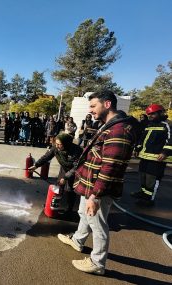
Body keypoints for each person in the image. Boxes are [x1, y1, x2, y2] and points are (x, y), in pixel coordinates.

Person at [57, 90, 139, 275]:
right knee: (83, 213)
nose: (91, 110)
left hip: (99, 188)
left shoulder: (119, 130)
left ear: (107, 104)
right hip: (91, 184)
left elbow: (110, 167)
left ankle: (97, 262)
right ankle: (78, 240)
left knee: (97, 222)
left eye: (93, 106)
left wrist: (95, 195)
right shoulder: (109, 125)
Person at [29, 133, 83, 212]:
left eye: (59, 144)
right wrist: (36, 165)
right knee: (59, 186)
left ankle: (69, 209)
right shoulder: (56, 148)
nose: (57, 146)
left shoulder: (77, 151)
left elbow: (76, 167)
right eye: (56, 144)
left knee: (70, 190)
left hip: (75, 171)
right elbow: (46, 157)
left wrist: (66, 177)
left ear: (66, 144)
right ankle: (55, 204)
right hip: (64, 169)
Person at [131, 104, 172, 205]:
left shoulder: (167, 124)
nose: (150, 116)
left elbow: (171, 140)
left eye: (153, 114)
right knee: (143, 175)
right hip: (145, 156)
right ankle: (144, 193)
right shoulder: (149, 124)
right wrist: (137, 148)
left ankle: (149, 199)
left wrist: (165, 152)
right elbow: (142, 138)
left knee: (152, 178)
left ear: (160, 112)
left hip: (158, 158)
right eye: (149, 114)